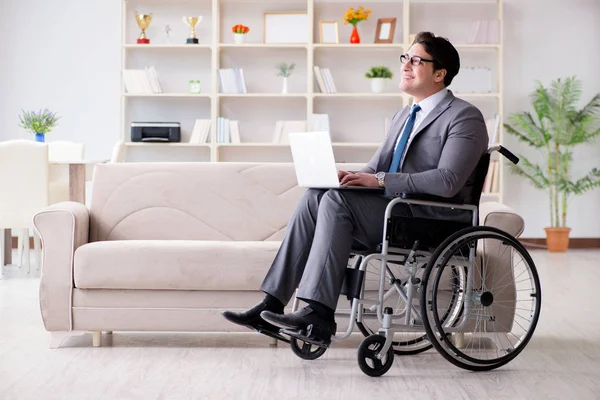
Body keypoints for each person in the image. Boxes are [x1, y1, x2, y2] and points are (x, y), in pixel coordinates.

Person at [222, 31, 489, 343]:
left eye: (416, 60)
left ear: (440, 73)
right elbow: (375, 169)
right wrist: (346, 177)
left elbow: (447, 181)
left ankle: (318, 314)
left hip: (429, 218)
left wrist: (377, 181)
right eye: (405, 58)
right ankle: (272, 303)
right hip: (393, 210)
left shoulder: (465, 117)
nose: (405, 65)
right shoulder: (405, 115)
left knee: (337, 203)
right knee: (316, 196)